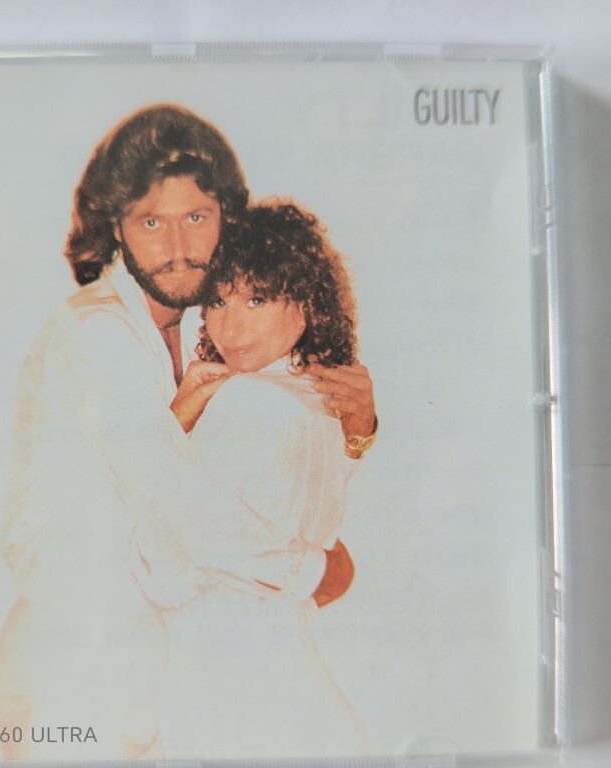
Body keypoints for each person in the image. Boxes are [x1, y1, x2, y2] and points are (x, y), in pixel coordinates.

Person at [0, 104, 377, 759]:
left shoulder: (212, 329)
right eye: (152, 222)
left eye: (196, 217)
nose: (177, 247)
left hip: (164, 679)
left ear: (225, 215)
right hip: (78, 674)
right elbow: (183, 508)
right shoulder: (96, 336)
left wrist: (357, 429)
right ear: (116, 228)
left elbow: (267, 476)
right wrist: (315, 571)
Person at [158, 201, 369, 759]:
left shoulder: (246, 399)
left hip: (224, 670)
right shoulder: (319, 399)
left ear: (305, 305)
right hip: (282, 657)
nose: (230, 326)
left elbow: (172, 546)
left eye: (256, 299)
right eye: (217, 301)